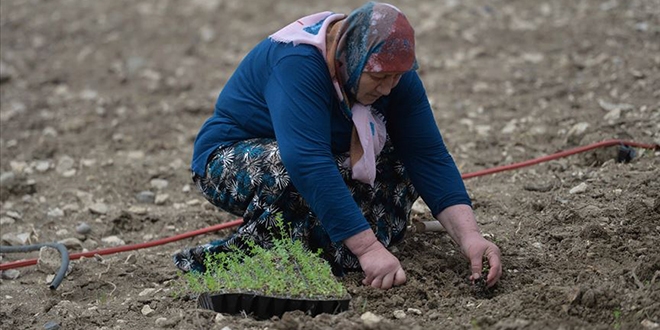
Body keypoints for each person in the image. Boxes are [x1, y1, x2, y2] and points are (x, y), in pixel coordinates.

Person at [174, 1, 502, 290]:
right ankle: (248, 257)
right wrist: (368, 249)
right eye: (379, 78)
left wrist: (470, 237)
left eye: (396, 77)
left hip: (325, 159)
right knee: (289, 167)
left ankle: (318, 246)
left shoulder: (393, 72)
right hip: (231, 159)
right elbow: (306, 160)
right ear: (350, 59)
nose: (388, 88)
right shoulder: (298, 61)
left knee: (401, 161)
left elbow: (427, 155)